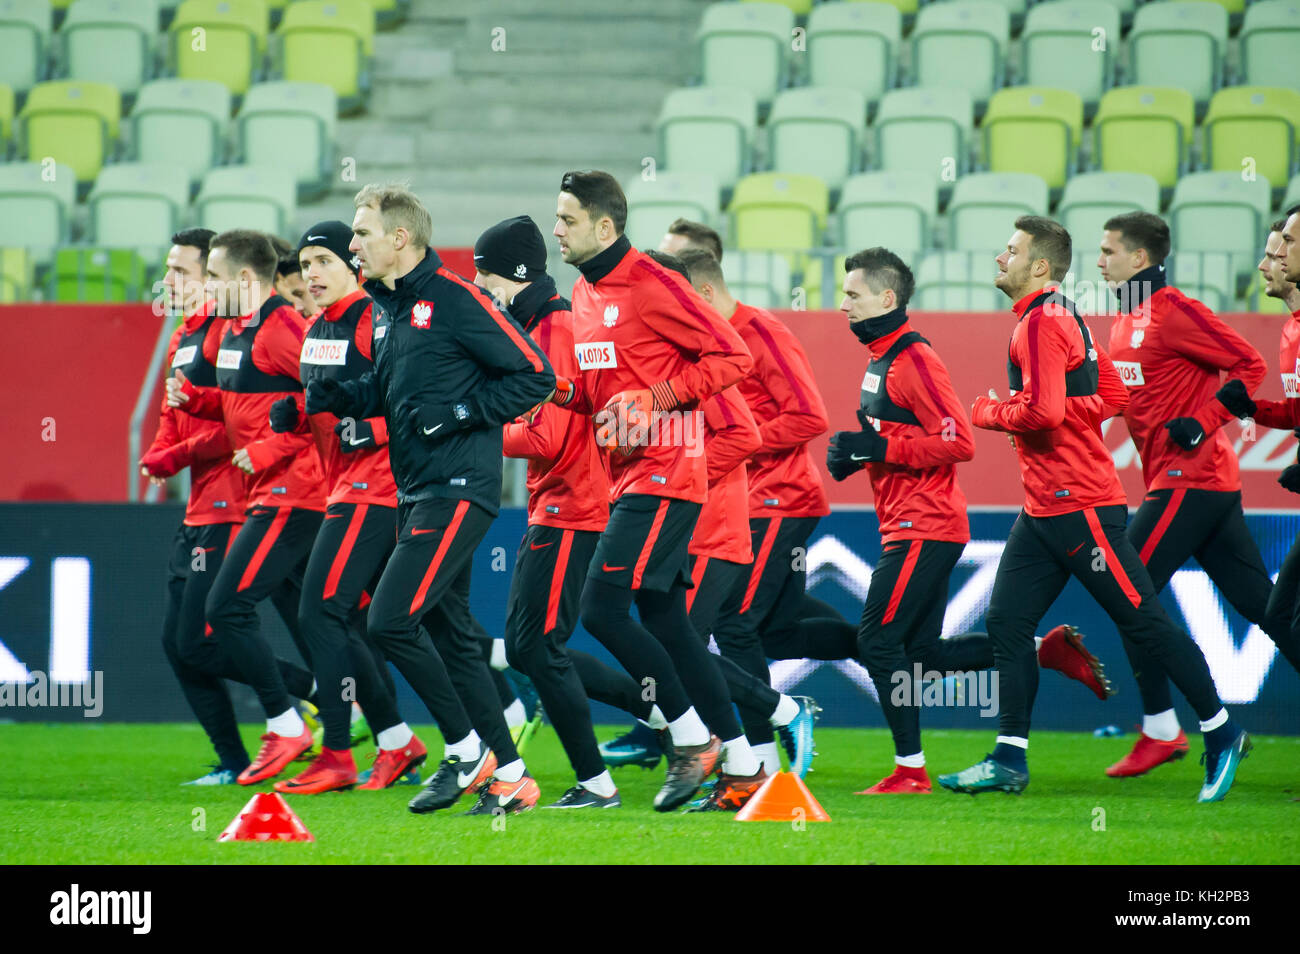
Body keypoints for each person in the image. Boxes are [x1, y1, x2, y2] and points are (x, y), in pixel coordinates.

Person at [940, 216, 1250, 803]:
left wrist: (989, 411)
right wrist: (1045, 410)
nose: (997, 258)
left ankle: (1220, 728)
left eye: (1009, 251)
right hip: (1044, 509)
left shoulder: (1036, 324)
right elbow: (1111, 398)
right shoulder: (1067, 316)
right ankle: (1009, 758)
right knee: (1007, 624)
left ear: (1038, 267)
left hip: (1078, 505)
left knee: (1143, 621)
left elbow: (1042, 414)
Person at [307, 183, 557, 815]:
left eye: (361, 233)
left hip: (459, 490)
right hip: (416, 492)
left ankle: (468, 752)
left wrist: (465, 411)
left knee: (388, 620)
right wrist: (349, 395)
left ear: (400, 238)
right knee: (455, 641)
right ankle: (513, 778)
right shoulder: (388, 307)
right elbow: (400, 395)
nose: (353, 242)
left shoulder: (456, 299)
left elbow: (537, 375)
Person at [827, 247, 1113, 793]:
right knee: (922, 654)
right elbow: (899, 439)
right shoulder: (881, 358)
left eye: (853, 295)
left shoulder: (914, 359)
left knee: (877, 643)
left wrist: (879, 446)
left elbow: (959, 441)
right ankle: (1038, 651)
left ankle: (910, 771)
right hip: (909, 523)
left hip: (924, 525)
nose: (844, 305)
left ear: (887, 299)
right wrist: (862, 453)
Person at [551, 170, 765, 811]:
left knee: (600, 610)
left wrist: (658, 397)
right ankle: (747, 765)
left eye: (566, 219)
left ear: (605, 226)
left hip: (669, 467)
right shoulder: (584, 296)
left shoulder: (653, 282)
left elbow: (733, 359)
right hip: (627, 473)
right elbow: (596, 394)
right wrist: (552, 391)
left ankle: (692, 737)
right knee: (668, 622)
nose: (556, 230)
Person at [1100, 212, 1297, 778]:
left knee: (1128, 589)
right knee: (1269, 612)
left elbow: (1247, 362)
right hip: (1193, 485)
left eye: (1108, 250)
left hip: (1191, 478)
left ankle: (1165, 730)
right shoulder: (1124, 323)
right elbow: (1126, 400)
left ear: (1140, 259)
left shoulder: (1175, 311)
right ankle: (1164, 731)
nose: (1099, 261)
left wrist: (1205, 420)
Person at [165, 229, 336, 786]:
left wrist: (267, 447)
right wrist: (197, 399)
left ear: (243, 280)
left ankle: (294, 722)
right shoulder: (236, 330)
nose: (206, 288)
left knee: (229, 610)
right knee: (243, 611)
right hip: (269, 490)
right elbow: (245, 400)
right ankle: (351, 727)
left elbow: (327, 398)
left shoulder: (283, 327)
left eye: (212, 277)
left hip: (299, 488)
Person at [266, 221, 427, 794]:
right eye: (305, 265)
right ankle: (399, 743)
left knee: (321, 613)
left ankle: (336, 752)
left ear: (352, 265)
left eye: (323, 262)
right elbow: (330, 406)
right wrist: (296, 418)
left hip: (378, 488)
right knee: (362, 622)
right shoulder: (317, 328)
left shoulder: (374, 320)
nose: (311, 274)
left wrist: (373, 430)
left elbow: (417, 398)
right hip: (344, 486)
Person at [473, 214, 621, 808]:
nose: (481, 292)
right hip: (558, 502)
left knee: (534, 646)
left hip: (572, 503)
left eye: (485, 279)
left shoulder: (554, 326)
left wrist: (475, 428)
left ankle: (599, 779)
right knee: (536, 645)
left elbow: (546, 436)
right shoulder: (542, 323)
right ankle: (660, 714)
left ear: (512, 276)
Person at [1216, 208, 1300, 696]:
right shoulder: (1291, 331)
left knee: (1283, 613)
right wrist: (1252, 409)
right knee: (1281, 614)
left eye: (1283, 245)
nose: (1272, 261)